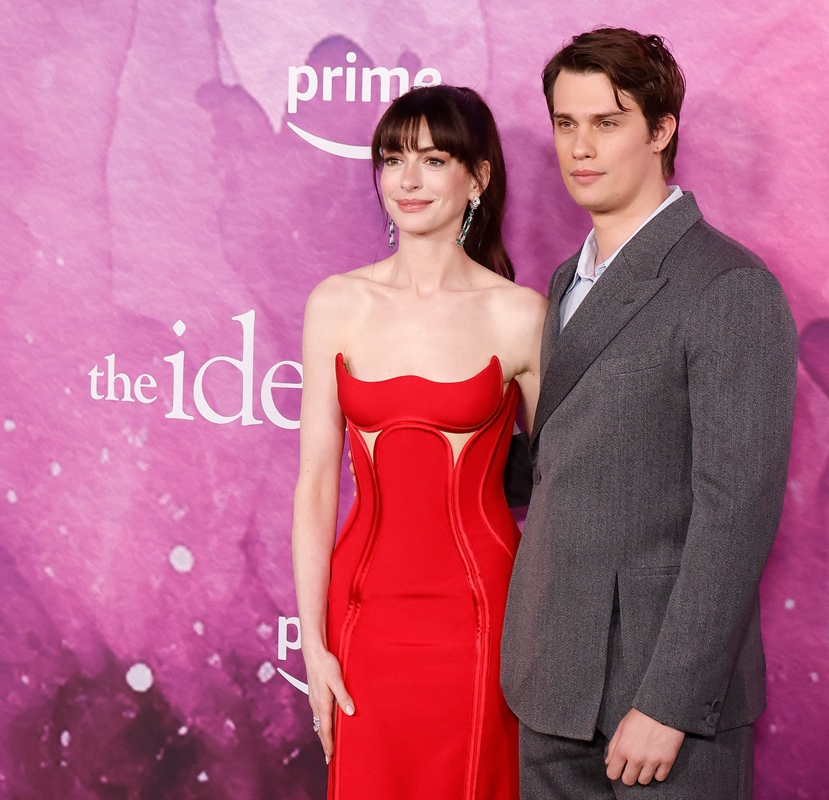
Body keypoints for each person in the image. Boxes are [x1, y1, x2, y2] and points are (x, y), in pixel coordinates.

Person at [500, 28, 797, 799]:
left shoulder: (729, 285)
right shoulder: (567, 279)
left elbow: (737, 513)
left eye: (607, 123)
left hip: (657, 698)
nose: (580, 148)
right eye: (567, 124)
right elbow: (562, 462)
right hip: (551, 683)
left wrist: (668, 702)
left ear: (662, 130)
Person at [291, 84, 545, 800]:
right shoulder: (336, 303)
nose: (407, 180)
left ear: (479, 177)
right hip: (363, 616)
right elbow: (315, 485)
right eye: (392, 158)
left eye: (433, 160)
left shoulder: (521, 316)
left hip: (483, 618)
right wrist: (313, 644)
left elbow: (563, 486)